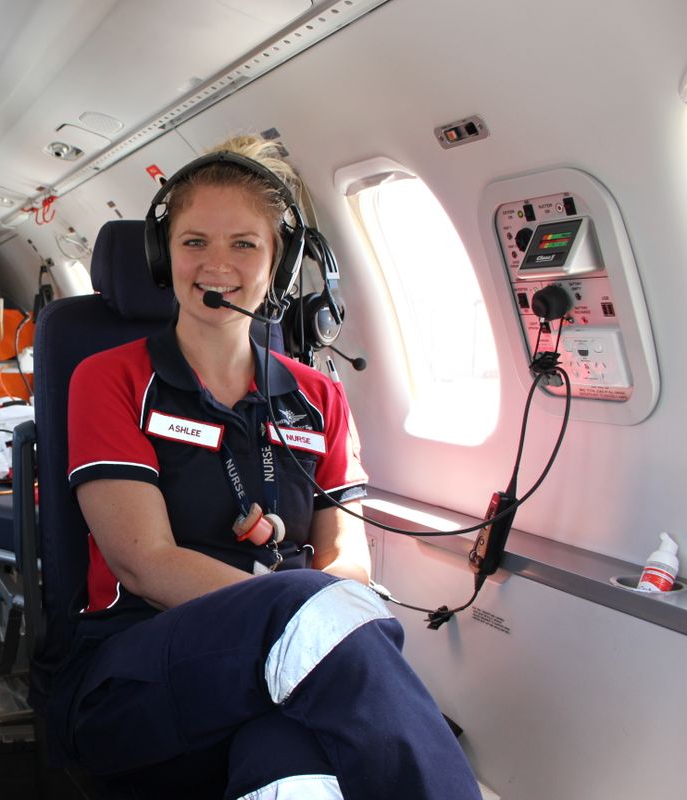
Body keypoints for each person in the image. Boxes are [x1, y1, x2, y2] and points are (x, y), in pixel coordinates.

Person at [46, 136, 482, 799]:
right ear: (164, 256)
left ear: (278, 262)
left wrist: (305, 621)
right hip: (135, 672)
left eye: (244, 244)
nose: (216, 264)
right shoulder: (109, 378)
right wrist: (288, 611)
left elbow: (348, 559)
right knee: (315, 617)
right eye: (194, 242)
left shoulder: (320, 397)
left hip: (295, 665)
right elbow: (144, 564)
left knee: (293, 766)